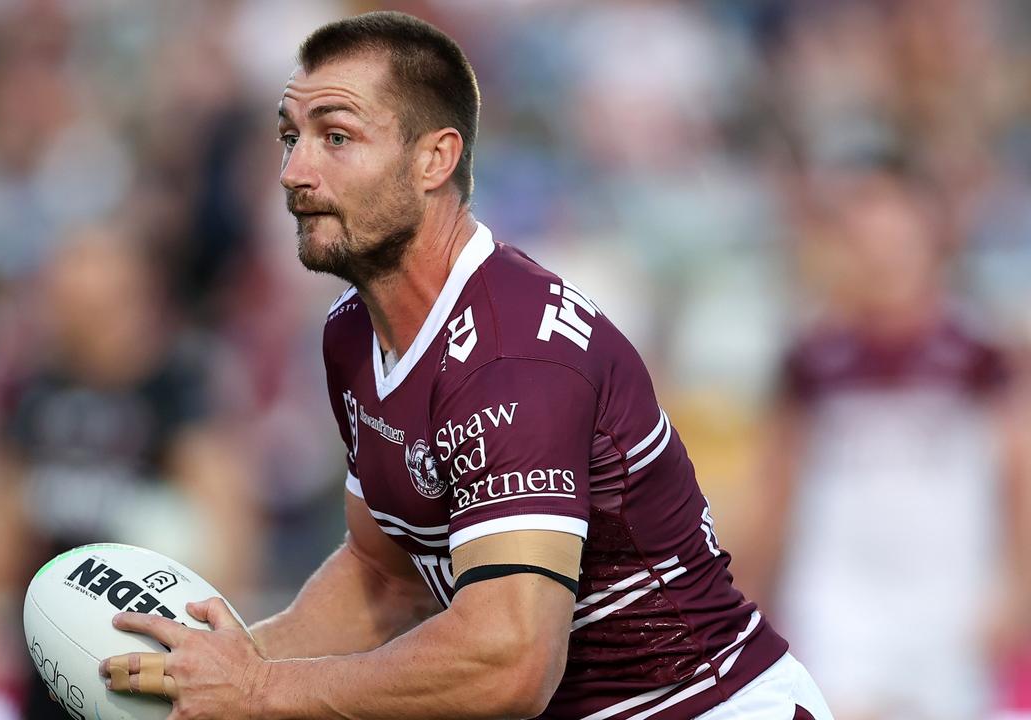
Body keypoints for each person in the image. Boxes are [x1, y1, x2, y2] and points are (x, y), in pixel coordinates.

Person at [100, 11, 832, 719]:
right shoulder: (353, 335)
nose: (294, 172)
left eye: (337, 137)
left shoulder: (513, 358)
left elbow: (511, 663)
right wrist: (224, 669)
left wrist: (261, 695)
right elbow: (386, 579)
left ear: (435, 159)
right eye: (291, 138)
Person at [739, 164, 1031, 720]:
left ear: (931, 241)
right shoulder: (812, 359)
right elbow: (777, 480)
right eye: (864, 240)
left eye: (897, 240)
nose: (882, 257)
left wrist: (1018, 587)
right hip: (840, 593)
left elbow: (1020, 475)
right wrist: (750, 585)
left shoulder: (980, 353)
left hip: (949, 594)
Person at [0, 226, 259, 718]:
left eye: (91, 306)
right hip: (51, 653)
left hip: (146, 657)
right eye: (64, 303)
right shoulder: (38, 394)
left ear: (132, 300)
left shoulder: (173, 389)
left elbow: (225, 517)